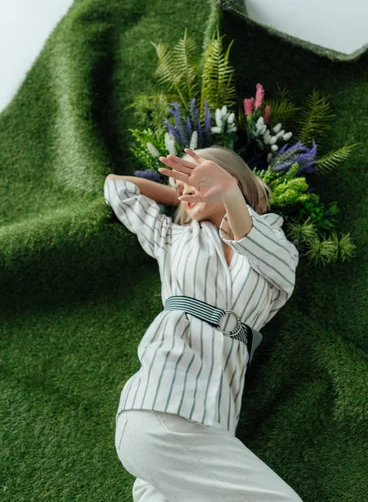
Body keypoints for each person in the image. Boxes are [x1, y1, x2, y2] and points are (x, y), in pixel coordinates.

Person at [104, 145, 303, 501]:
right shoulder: (172, 239)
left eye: (195, 180)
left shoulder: (277, 245)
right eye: (182, 186)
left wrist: (227, 193)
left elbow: (258, 243)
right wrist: (183, 195)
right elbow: (117, 186)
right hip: (160, 407)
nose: (185, 190)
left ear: (233, 179)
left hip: (212, 426)